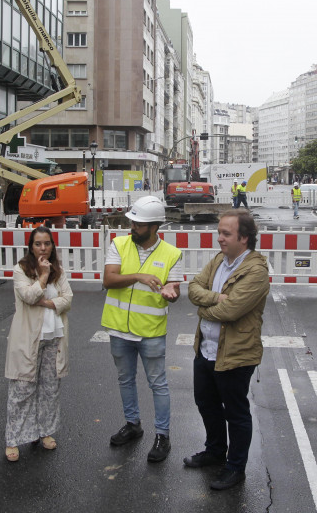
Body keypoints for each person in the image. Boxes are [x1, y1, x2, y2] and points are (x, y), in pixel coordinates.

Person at [185, 210, 269, 491]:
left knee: (236, 413)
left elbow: (231, 310)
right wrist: (212, 298)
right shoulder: (220, 261)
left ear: (243, 238)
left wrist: (203, 306)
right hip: (206, 349)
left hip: (235, 355)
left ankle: (235, 468)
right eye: (219, 232)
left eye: (226, 234)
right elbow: (193, 287)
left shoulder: (256, 272)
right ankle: (215, 450)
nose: (219, 238)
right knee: (206, 404)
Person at [101, 196, 183, 463]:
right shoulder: (119, 244)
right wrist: (138, 276)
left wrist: (172, 293)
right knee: (125, 380)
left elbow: (174, 289)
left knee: (157, 384)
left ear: (154, 226)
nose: (132, 227)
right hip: (119, 330)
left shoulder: (172, 254)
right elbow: (109, 279)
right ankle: (133, 424)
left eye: (137, 224)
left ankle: (163, 435)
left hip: (151, 331)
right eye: (132, 222)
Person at [4, 226, 73, 462]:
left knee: (49, 389)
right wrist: (42, 277)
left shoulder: (59, 270)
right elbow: (29, 296)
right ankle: (13, 439)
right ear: (30, 247)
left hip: (54, 337)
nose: (43, 248)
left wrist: (49, 303)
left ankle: (44, 432)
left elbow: (68, 298)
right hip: (28, 338)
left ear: (52, 245)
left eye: (47, 243)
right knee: (22, 389)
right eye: (38, 244)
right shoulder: (21, 270)